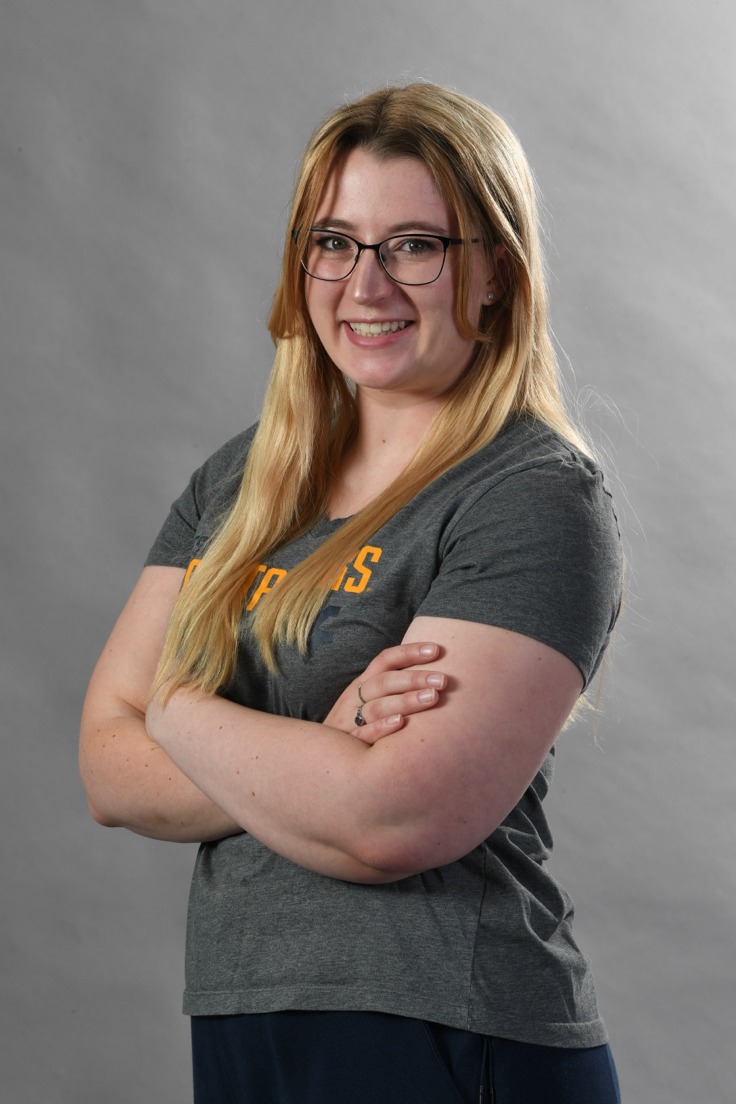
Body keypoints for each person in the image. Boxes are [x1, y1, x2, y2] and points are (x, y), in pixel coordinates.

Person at [79, 82, 623, 1103]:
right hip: (243, 1019)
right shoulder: (237, 483)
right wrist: (318, 746)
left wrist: (176, 707)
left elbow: (387, 823)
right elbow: (107, 770)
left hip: (446, 1029)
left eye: (415, 246)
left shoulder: (531, 496)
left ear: (496, 271)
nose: (366, 285)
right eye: (334, 242)